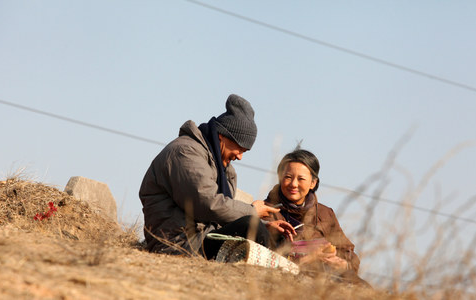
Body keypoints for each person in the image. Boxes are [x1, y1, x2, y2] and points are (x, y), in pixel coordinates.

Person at [139, 94, 293, 259]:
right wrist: (252, 212)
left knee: (268, 233)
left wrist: (265, 225)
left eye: (244, 152)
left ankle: (286, 267)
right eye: (240, 148)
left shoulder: (224, 168)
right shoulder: (185, 152)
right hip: (178, 243)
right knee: (250, 225)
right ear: (223, 136)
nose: (240, 156)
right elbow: (207, 203)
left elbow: (221, 215)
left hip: (204, 238)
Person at [263, 148, 368, 286]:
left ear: (313, 183)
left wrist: (344, 264)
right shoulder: (266, 211)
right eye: (288, 177)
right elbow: (266, 258)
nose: (293, 184)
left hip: (329, 280)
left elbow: (348, 251)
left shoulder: (325, 214)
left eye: (301, 179)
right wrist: (311, 258)